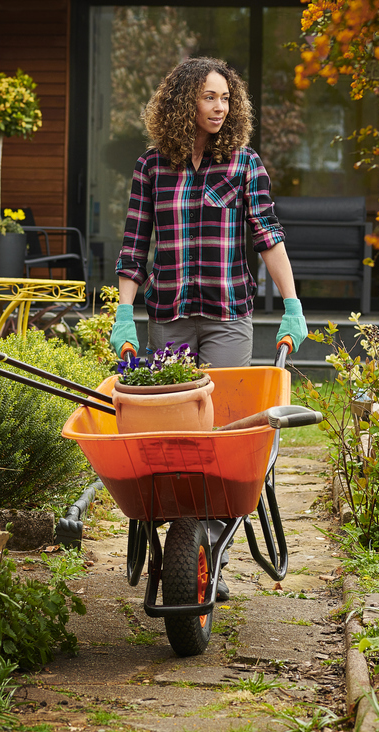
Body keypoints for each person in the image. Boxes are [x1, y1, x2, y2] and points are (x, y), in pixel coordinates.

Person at [109, 56, 307, 601]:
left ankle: (205, 551)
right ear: (183, 103)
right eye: (209, 98)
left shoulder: (244, 165)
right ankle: (178, 545)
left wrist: (291, 303)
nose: (219, 107)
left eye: (225, 98)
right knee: (170, 439)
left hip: (227, 316)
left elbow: (268, 237)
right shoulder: (152, 168)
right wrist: (124, 313)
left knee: (218, 439)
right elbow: (134, 248)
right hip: (168, 317)